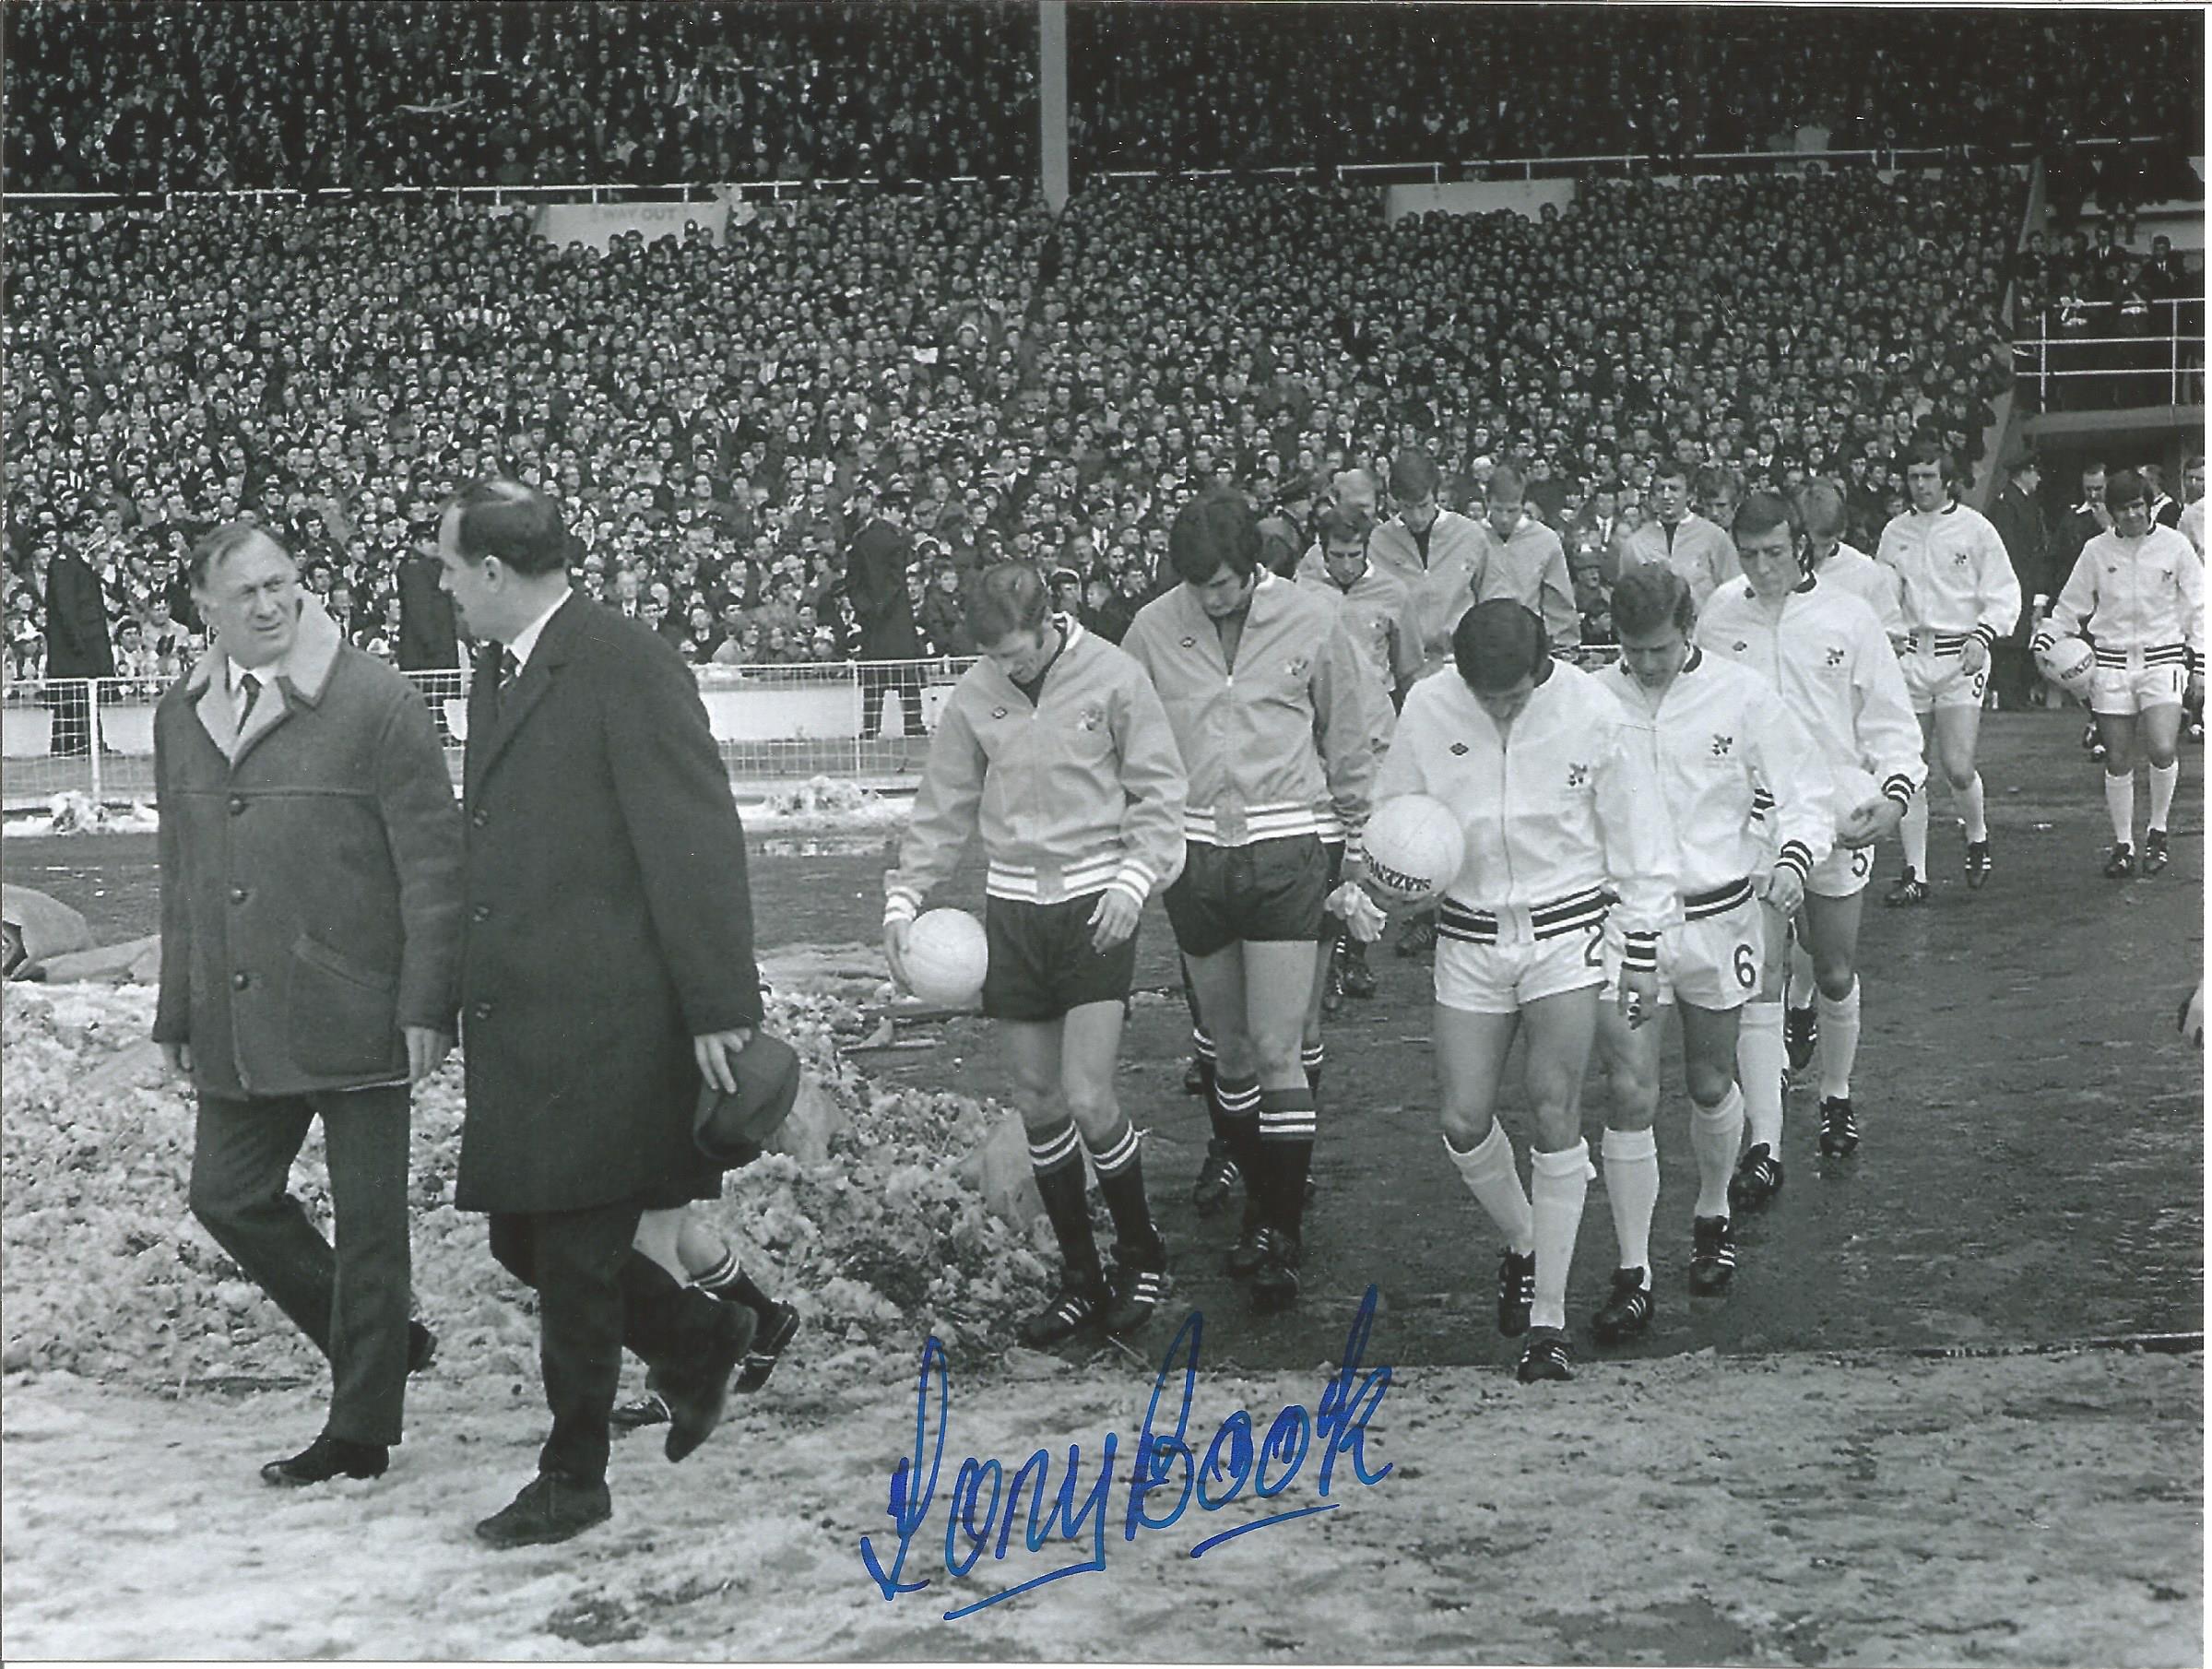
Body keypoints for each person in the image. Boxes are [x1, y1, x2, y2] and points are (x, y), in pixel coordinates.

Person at [435, 478, 765, 1549]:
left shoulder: (624, 660)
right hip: (528, 1021)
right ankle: (694, 1336)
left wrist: (720, 1004)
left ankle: (572, 1474)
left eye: (450, 570)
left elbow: (697, 836)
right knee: (521, 1240)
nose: (444, 589)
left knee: (571, 1258)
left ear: (492, 571)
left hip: (611, 1019)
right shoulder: (502, 667)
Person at [153, 522, 462, 1487]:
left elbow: (434, 866)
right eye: (243, 591)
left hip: (362, 1005)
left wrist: (428, 1002)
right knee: (227, 1195)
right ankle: (381, 1341)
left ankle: (359, 1429)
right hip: (244, 1012)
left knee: (374, 1228)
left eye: (281, 583)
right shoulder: (181, 714)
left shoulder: (376, 698)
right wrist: (177, 1008)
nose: (269, 603)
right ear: (203, 604)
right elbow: (183, 875)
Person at [883, 563, 1187, 1343]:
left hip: (1096, 906)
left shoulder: (1116, 676)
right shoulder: (975, 692)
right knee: (1038, 1101)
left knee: (1088, 1096)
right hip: (1014, 910)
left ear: (1050, 621)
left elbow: (1160, 795)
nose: (1008, 670)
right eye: (995, 659)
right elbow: (943, 805)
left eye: (1018, 655)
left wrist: (1132, 881)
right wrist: (904, 897)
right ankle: (1080, 1275)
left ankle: (1142, 1251)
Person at [1372, 599, 1669, 1382]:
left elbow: (1639, 836)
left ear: (1541, 671)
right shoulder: (1429, 706)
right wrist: (1389, 878)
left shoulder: (1590, 710)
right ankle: (1527, 1240)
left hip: (1566, 930)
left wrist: (1639, 946)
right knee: (1463, 1119)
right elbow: (1393, 813)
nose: (1499, 709)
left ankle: (1548, 1320)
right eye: (1485, 696)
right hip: (1469, 936)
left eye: (1512, 697)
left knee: (1552, 1105)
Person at [1121, 488, 1374, 1312]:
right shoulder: (1154, 627)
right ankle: (1256, 1181)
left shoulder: (1308, 619)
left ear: (1253, 567)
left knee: (1276, 1046)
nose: (1213, 598)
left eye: (1226, 583)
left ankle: (1277, 1227)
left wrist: (1355, 843)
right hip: (1193, 856)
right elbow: (1124, 738)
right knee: (1225, 1052)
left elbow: (1344, 731)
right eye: (1199, 586)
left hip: (1283, 852)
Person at [1589, 567, 1830, 1343]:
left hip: (1721, 920)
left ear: (1688, 628)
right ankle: (1632, 1270)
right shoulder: (1592, 699)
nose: (1647, 665)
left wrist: (1792, 857)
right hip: (1628, 930)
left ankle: (1712, 1212)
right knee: (1628, 1091)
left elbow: (1804, 788)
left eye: (1659, 648)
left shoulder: (1742, 695)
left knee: (1708, 1078)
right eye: (1633, 651)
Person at [1699, 492, 1923, 1178]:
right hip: (1751, 823)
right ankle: (1763, 1139)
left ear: (1801, 545)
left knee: (1830, 968)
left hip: (1832, 815)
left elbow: (1890, 724)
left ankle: (1835, 1092)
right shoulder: (1718, 615)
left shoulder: (1847, 617)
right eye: (1748, 554)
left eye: (1774, 552)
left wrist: (1892, 794)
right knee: (1761, 974)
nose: (1762, 568)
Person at [2038, 468, 2205, 877]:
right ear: (2109, 512)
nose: (2131, 516)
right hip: (2111, 663)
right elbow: (2069, 607)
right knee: (2117, 757)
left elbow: (2202, 607)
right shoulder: (2096, 551)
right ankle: (2123, 844)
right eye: (2122, 509)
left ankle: (2159, 832)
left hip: (2162, 658)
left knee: (2163, 747)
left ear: (2149, 506)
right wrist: (2045, 642)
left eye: (2137, 507)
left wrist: (2200, 663)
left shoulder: (2175, 545)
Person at [1876, 440, 2021, 903]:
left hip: (1961, 655)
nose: (1920, 486)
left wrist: (1983, 635)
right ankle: (1915, 873)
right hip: (1910, 658)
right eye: (1913, 477)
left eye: (1929, 477)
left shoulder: (1976, 529)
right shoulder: (1894, 532)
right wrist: (1887, 633)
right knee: (1908, 767)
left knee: (1958, 768)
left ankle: (1976, 837)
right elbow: (1882, 594)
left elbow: (2003, 592)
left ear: (1947, 480)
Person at [1296, 502, 1422, 1002]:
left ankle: (1358, 955)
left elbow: (1408, 667)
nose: (1345, 565)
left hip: (1373, 737)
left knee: (1366, 851)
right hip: (1317, 740)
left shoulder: (1393, 592)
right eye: (1335, 556)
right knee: (1322, 852)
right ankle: (1324, 963)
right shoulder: (1301, 593)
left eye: (1353, 555)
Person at [1366, 447, 1483, 959]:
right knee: (1417, 790)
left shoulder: (1470, 537)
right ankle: (1419, 905)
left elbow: (1491, 600)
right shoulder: (1379, 540)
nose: (1416, 516)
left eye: (1425, 505)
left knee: (1464, 787)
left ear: (1441, 497)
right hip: (1408, 677)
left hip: (1464, 674)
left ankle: (1460, 901)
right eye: (1407, 507)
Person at [1476, 464, 1582, 653]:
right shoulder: (1470, 536)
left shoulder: (1546, 539)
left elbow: (1559, 602)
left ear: (1524, 504)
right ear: (1487, 502)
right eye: (1498, 509)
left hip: (1529, 644)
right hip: (1480, 643)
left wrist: (1564, 645)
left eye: (1512, 510)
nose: (1504, 519)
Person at [1614, 458, 1741, 606]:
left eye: (1674, 489)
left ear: (1689, 495)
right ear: (1653, 496)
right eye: (1661, 489)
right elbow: (1625, 598)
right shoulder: (1636, 544)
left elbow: (1734, 590)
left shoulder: (1715, 537)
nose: (1666, 496)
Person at [1985, 446, 2053, 710]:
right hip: (2013, 581)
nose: (2038, 479)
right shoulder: (2006, 504)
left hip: (2025, 580)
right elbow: (2010, 550)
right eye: (2035, 473)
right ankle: (2008, 696)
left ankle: (2016, 695)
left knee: (2022, 637)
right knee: (2010, 639)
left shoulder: (2025, 502)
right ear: (2024, 473)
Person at [42, 526, 116, 756]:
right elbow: (66, 607)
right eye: (82, 534)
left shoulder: (77, 563)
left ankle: (88, 743)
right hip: (74, 649)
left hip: (80, 645)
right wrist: (77, 643)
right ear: (68, 535)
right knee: (74, 699)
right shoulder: (64, 563)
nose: (88, 539)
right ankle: (77, 746)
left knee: (82, 699)